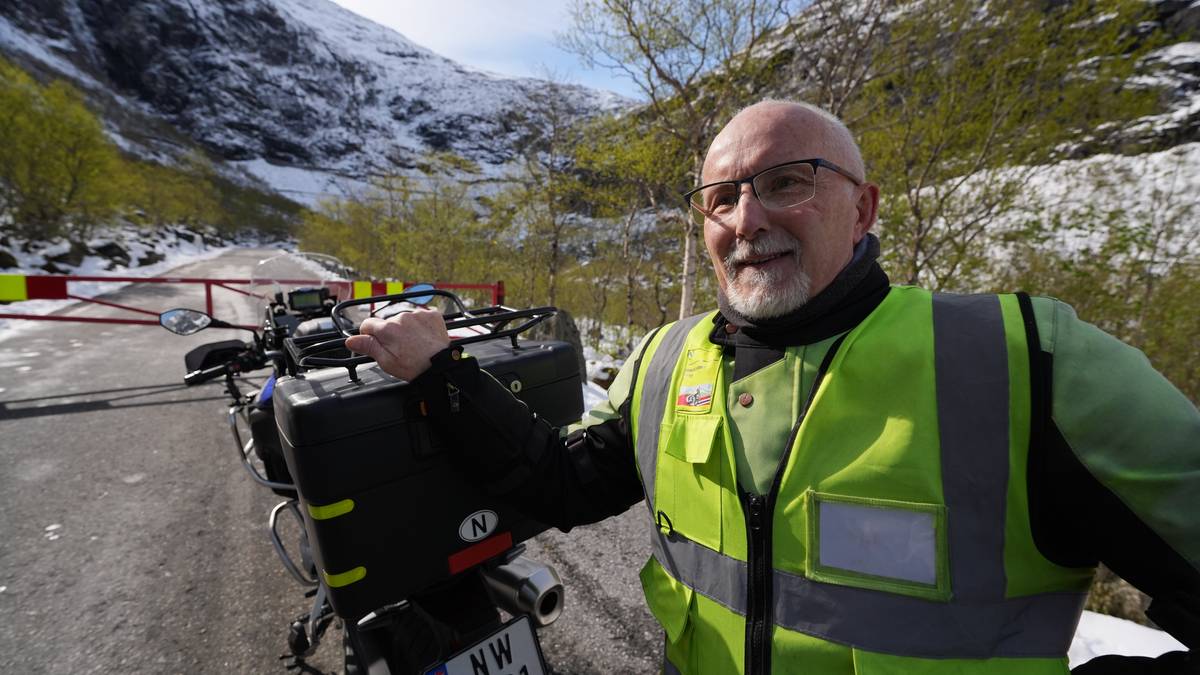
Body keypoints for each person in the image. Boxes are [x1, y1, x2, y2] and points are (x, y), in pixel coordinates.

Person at [346, 100, 1199, 674]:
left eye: (786, 182)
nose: (747, 219)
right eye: (720, 198)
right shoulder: (663, 359)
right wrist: (443, 372)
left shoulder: (1028, 359)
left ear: (862, 209)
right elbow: (558, 482)